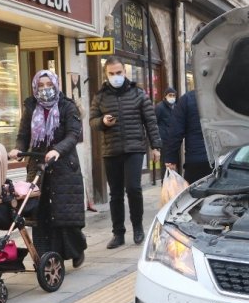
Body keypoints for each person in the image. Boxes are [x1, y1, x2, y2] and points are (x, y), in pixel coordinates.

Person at [9, 69, 87, 269]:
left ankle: (76, 249)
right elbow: (23, 134)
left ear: (56, 85)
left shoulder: (67, 106)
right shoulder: (31, 107)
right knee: (39, 213)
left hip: (63, 166)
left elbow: (73, 134)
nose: (45, 89)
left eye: (49, 85)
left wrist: (57, 150)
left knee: (64, 214)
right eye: (41, 85)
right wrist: (18, 149)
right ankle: (43, 257)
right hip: (37, 166)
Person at [89, 56, 161, 249]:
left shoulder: (138, 93)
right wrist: (103, 122)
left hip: (134, 148)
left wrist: (156, 146)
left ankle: (138, 228)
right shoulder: (100, 96)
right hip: (111, 150)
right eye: (111, 74)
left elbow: (150, 121)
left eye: (118, 73)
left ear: (124, 72)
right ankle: (118, 233)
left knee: (134, 189)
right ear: (106, 74)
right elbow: (92, 121)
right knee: (116, 194)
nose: (116, 77)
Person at [163, 89, 212, 184]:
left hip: (196, 160)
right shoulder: (223, 98)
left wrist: (171, 158)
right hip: (223, 160)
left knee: (194, 196)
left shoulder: (187, 99)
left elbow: (175, 132)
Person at [154, 87, 176, 168]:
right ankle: (165, 180)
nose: (172, 97)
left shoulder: (175, 107)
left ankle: (170, 179)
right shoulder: (160, 107)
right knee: (165, 162)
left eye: (174, 95)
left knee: (172, 163)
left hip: (173, 140)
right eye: (170, 95)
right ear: (165, 96)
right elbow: (154, 122)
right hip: (163, 139)